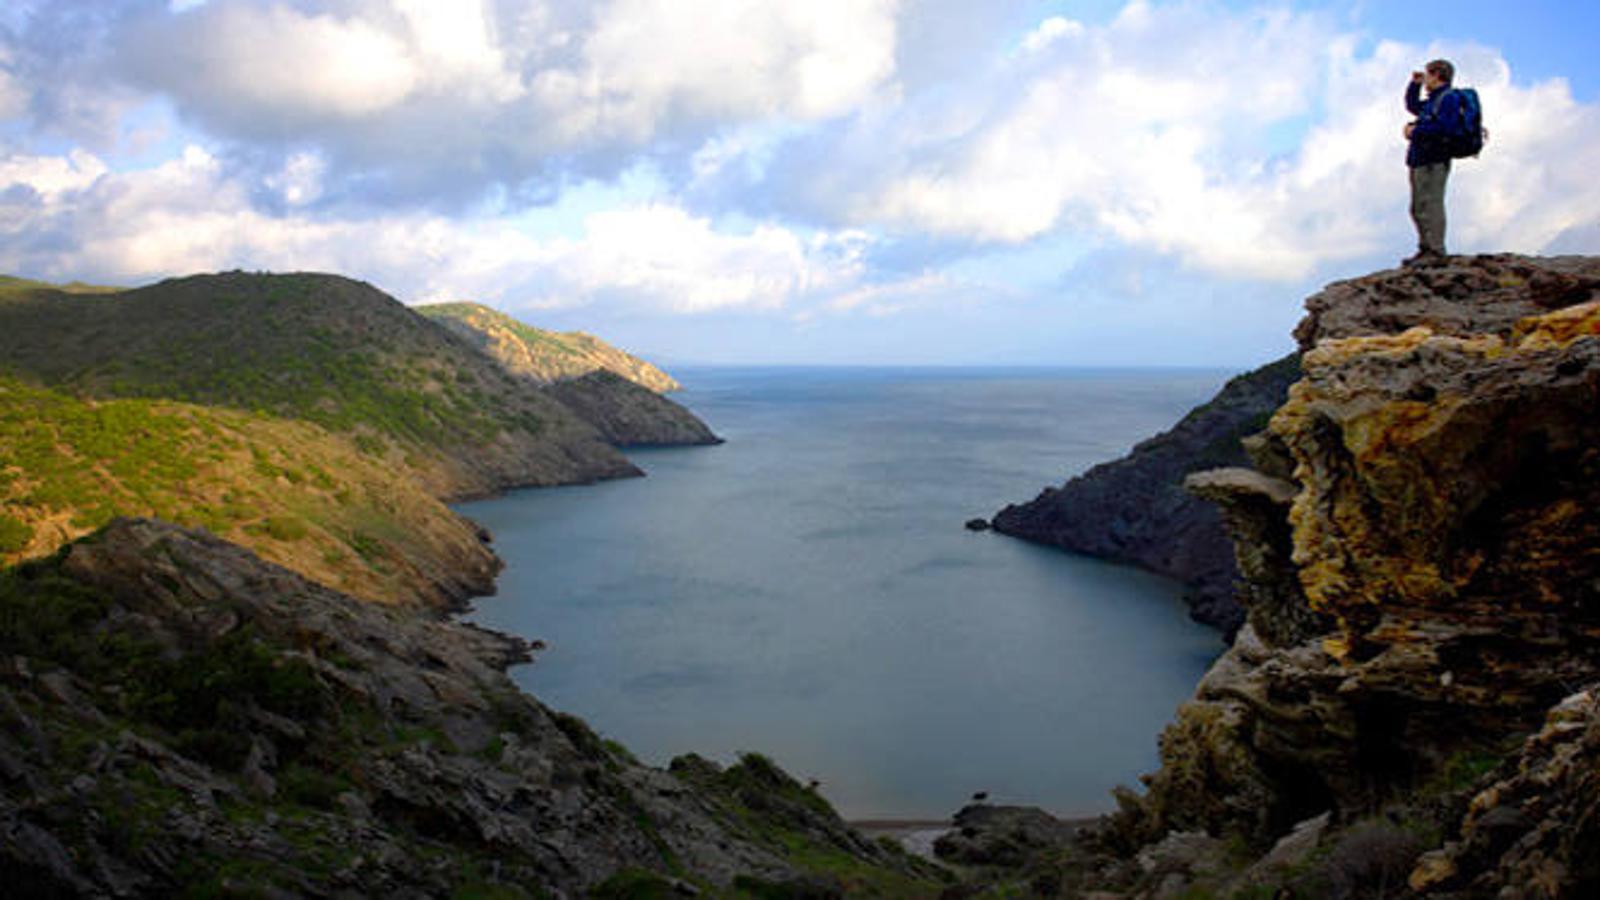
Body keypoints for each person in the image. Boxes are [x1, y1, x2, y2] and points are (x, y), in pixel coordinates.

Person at [1403, 59, 1463, 266]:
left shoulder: (1449, 98)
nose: (1425, 77)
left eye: (1428, 74)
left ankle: (1436, 251)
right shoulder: (1433, 100)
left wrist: (1415, 131)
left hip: (1434, 160)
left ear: (1437, 74)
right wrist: (1415, 85)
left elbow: (1446, 128)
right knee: (1417, 207)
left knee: (1432, 205)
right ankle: (1425, 247)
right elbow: (1412, 106)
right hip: (1419, 160)